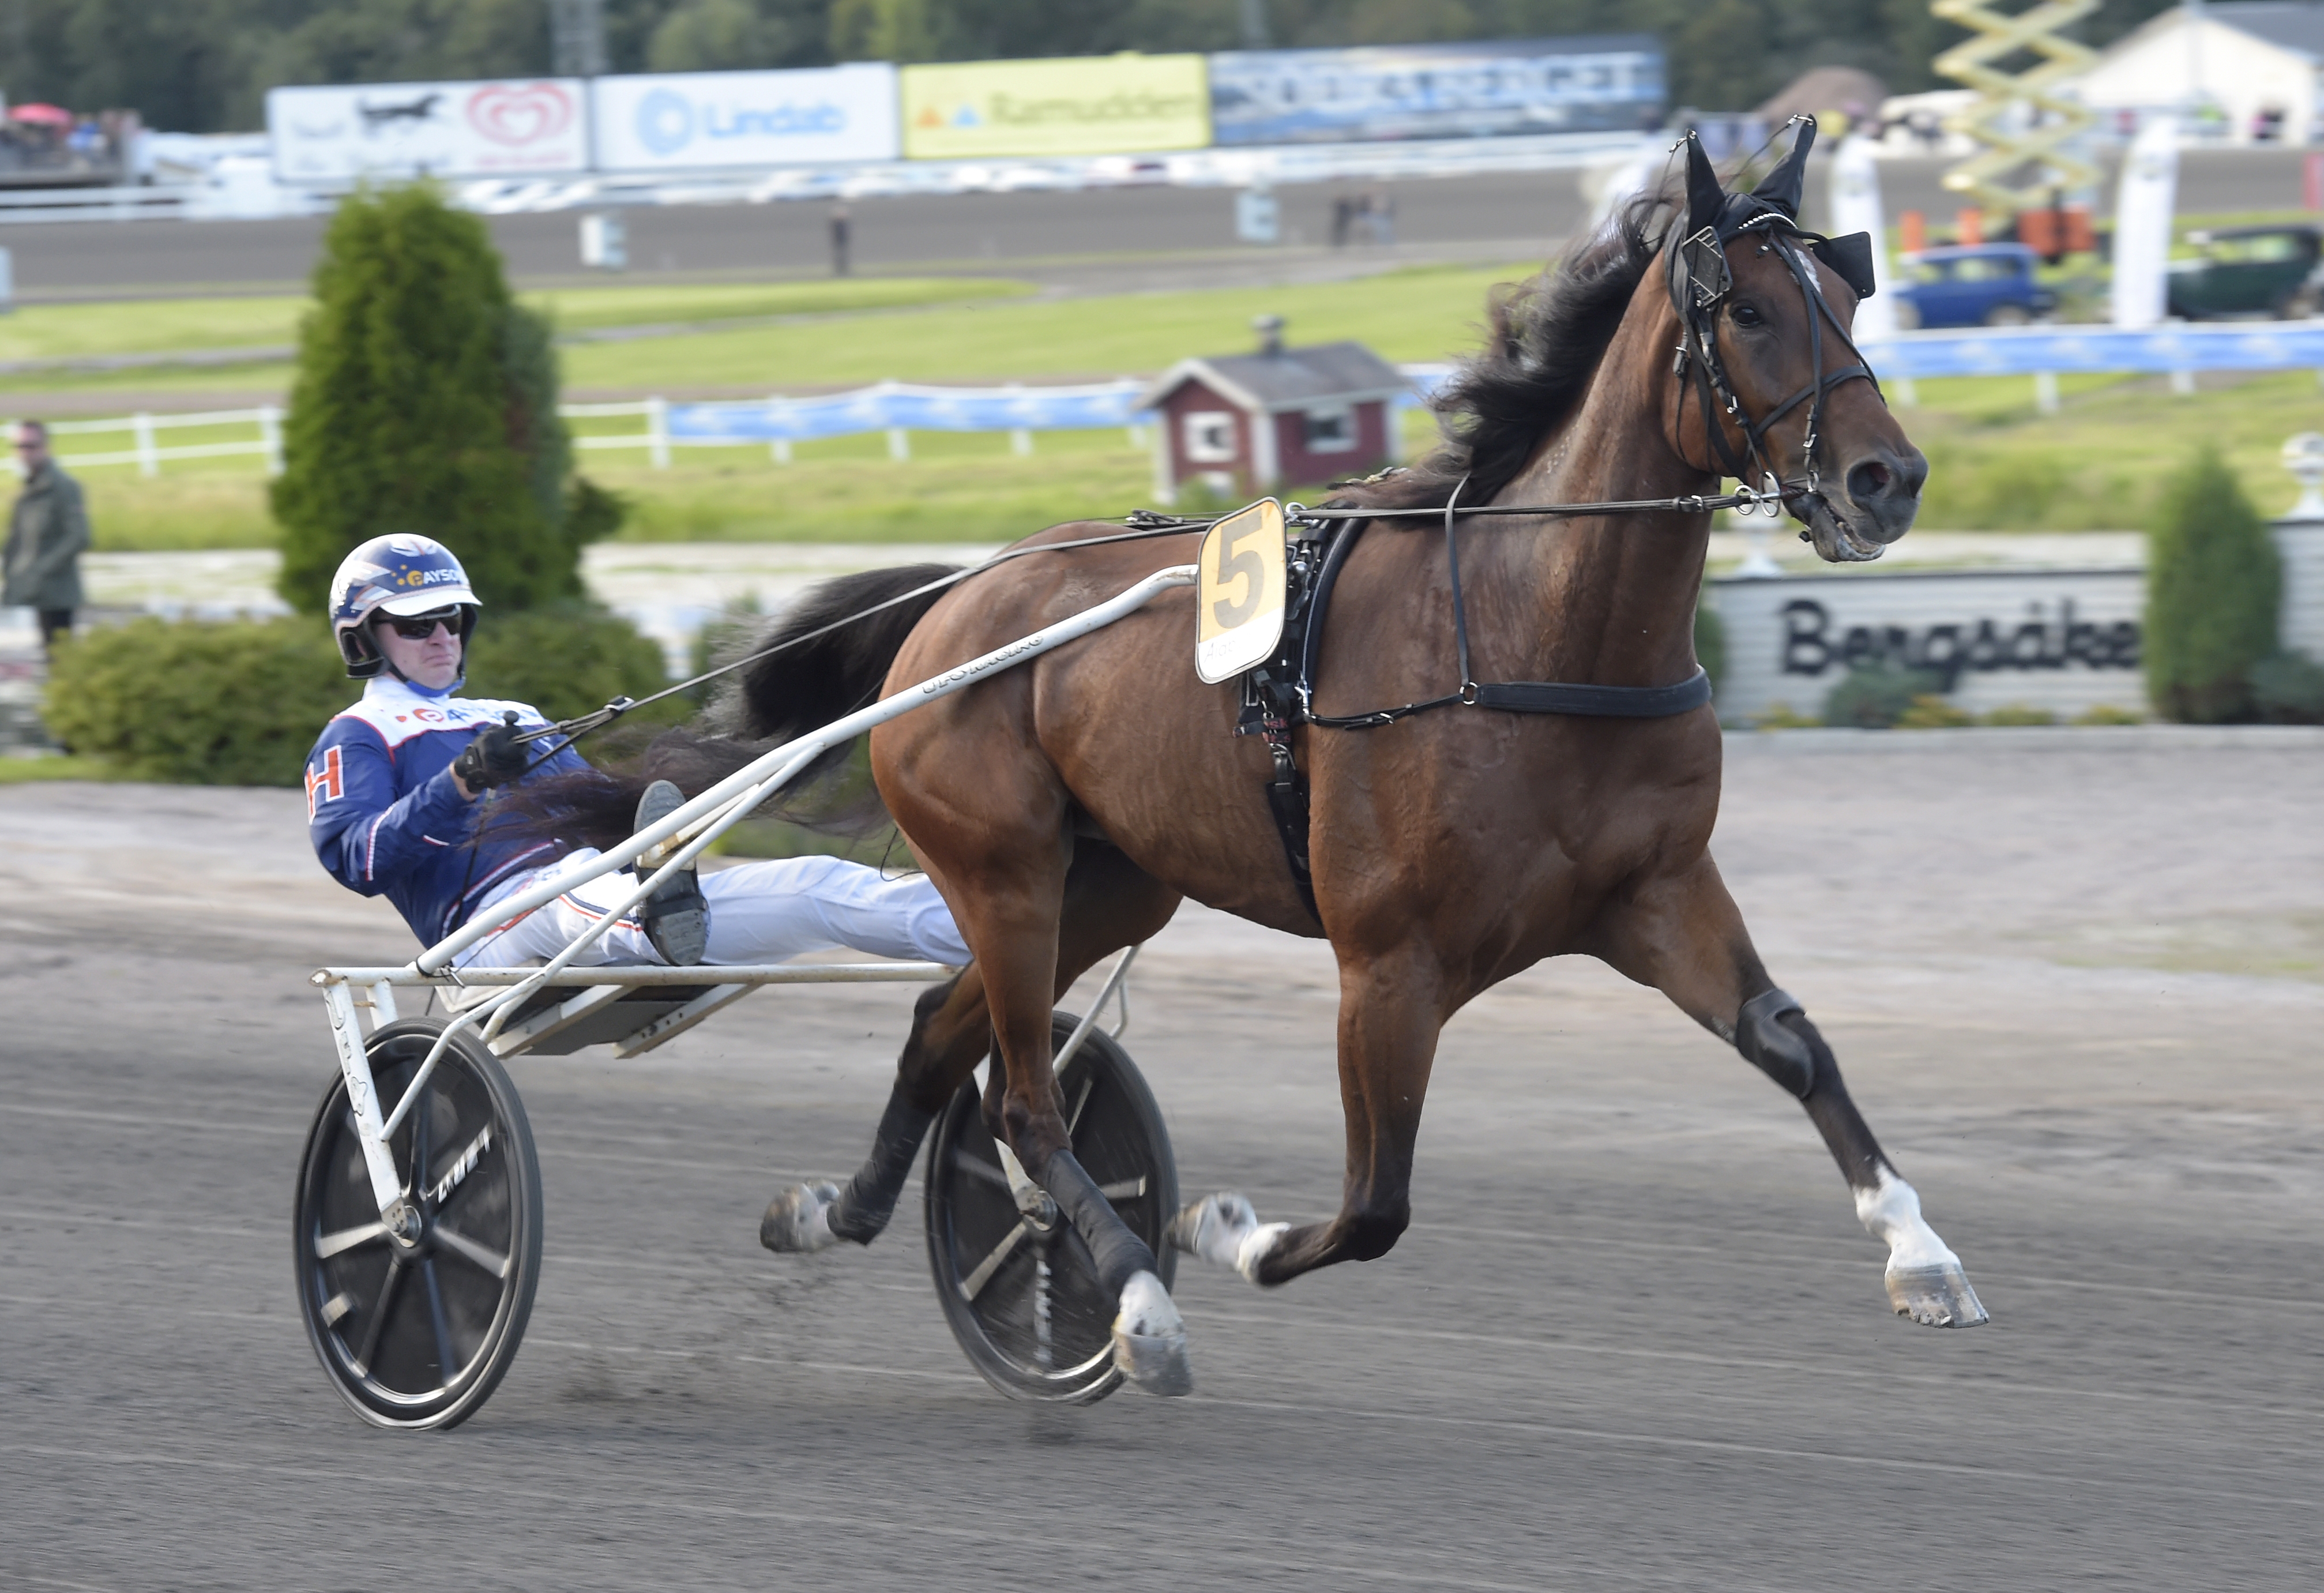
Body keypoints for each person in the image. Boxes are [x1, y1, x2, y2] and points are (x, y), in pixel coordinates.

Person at [302, 533, 970, 974]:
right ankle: (649, 915)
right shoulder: (357, 734)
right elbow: (357, 858)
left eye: (452, 618)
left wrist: (706, 781)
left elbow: (603, 818)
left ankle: (999, 938)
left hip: (597, 889)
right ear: (363, 638)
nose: (442, 635)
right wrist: (463, 780)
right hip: (487, 928)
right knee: (575, 893)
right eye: (419, 623)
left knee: (815, 885)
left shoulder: (512, 719)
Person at [3, 420, 89, 659]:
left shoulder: (63, 487)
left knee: (61, 659)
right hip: (35, 592)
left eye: (31, 446)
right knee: (47, 658)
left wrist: (40, 570)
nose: (25, 453)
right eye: (20, 446)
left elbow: (79, 536)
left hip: (57, 593)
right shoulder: (31, 489)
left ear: (46, 447)